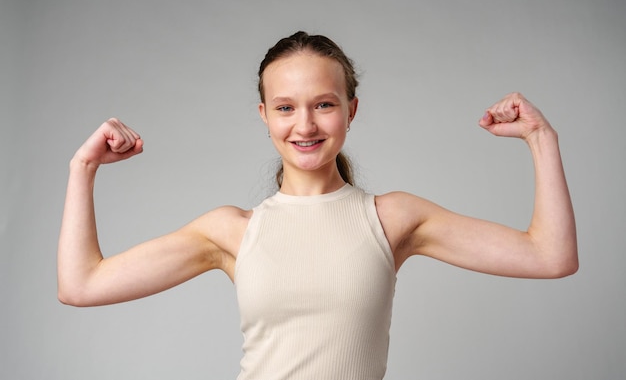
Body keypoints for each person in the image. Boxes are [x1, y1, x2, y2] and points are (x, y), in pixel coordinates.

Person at [57, 31, 578, 379]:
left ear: (351, 110)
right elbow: (81, 285)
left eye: (323, 105)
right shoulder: (232, 232)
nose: (304, 125)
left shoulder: (392, 218)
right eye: (285, 107)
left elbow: (550, 256)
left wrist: (541, 138)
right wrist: (83, 169)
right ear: (264, 115)